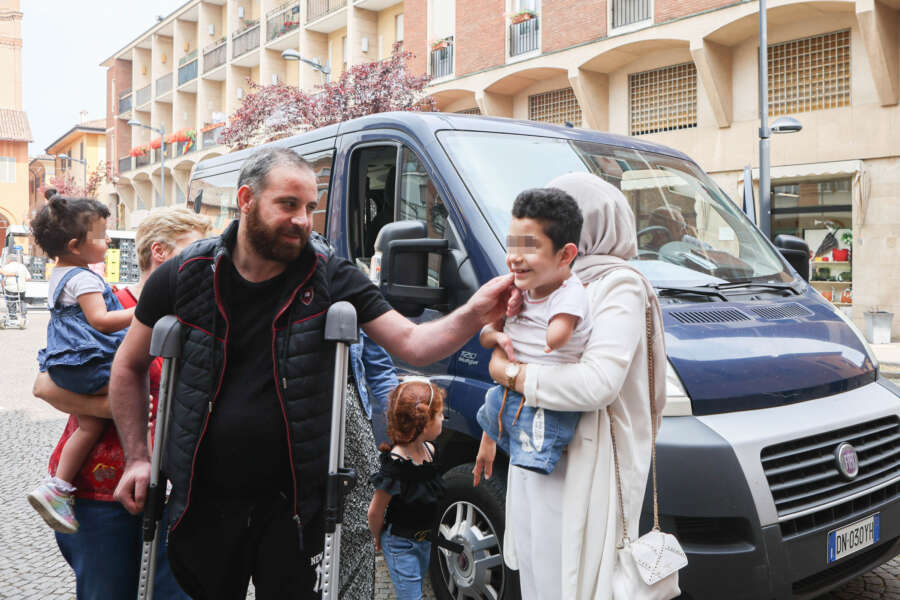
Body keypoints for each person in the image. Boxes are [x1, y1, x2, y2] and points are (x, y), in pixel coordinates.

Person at [109, 146, 514, 600]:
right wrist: (139, 456)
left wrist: (477, 310)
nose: (303, 219)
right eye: (288, 204)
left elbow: (414, 345)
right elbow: (128, 365)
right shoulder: (186, 274)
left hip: (296, 504)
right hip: (206, 497)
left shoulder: (330, 277)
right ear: (246, 199)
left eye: (309, 207)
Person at [474, 172, 667, 599]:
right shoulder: (548, 283)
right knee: (542, 573)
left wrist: (510, 374)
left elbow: (598, 384)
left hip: (590, 462)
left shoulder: (619, 284)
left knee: (579, 581)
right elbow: (509, 344)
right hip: (537, 449)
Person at [33, 206, 210, 600]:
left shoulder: (203, 316)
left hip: (179, 489)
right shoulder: (112, 303)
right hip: (101, 491)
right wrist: (120, 407)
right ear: (161, 252)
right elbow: (45, 386)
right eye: (196, 248)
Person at [26, 196, 135, 534]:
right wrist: (142, 313)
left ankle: (57, 486)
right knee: (130, 390)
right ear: (75, 245)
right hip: (86, 363)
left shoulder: (60, 273)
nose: (110, 241)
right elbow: (100, 320)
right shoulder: (84, 279)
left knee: (88, 426)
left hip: (68, 362)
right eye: (103, 236)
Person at [475, 188, 590, 475]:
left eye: (528, 248)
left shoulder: (569, 293)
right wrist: (498, 335)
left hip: (546, 398)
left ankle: (534, 460)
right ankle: (501, 442)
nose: (514, 258)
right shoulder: (517, 289)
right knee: (493, 405)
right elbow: (486, 335)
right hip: (510, 389)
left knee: (539, 440)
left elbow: (560, 333)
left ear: (565, 255)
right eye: (511, 247)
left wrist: (552, 339)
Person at [367, 379, 446, 600]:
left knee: (415, 589)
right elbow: (375, 511)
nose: (443, 418)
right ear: (424, 422)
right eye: (439, 414)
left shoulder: (431, 452)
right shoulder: (396, 465)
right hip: (399, 544)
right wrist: (378, 538)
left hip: (424, 541)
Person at [1, 251, 31, 319]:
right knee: (22, 300)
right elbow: (28, 278)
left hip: (10, 289)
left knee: (11, 300)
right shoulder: (22, 266)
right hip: (21, 289)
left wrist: (3, 288)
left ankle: (12, 315)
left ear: (9, 260)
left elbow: (2, 279)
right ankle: (23, 315)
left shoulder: (6, 267)